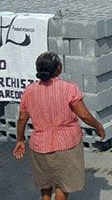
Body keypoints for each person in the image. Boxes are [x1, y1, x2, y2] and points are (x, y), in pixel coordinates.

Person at [14, 52, 105, 200]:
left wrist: (20, 140)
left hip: (40, 146)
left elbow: (22, 119)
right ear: (58, 69)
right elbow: (84, 115)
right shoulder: (69, 88)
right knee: (63, 184)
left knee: (46, 184)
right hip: (67, 144)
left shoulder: (29, 91)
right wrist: (98, 126)